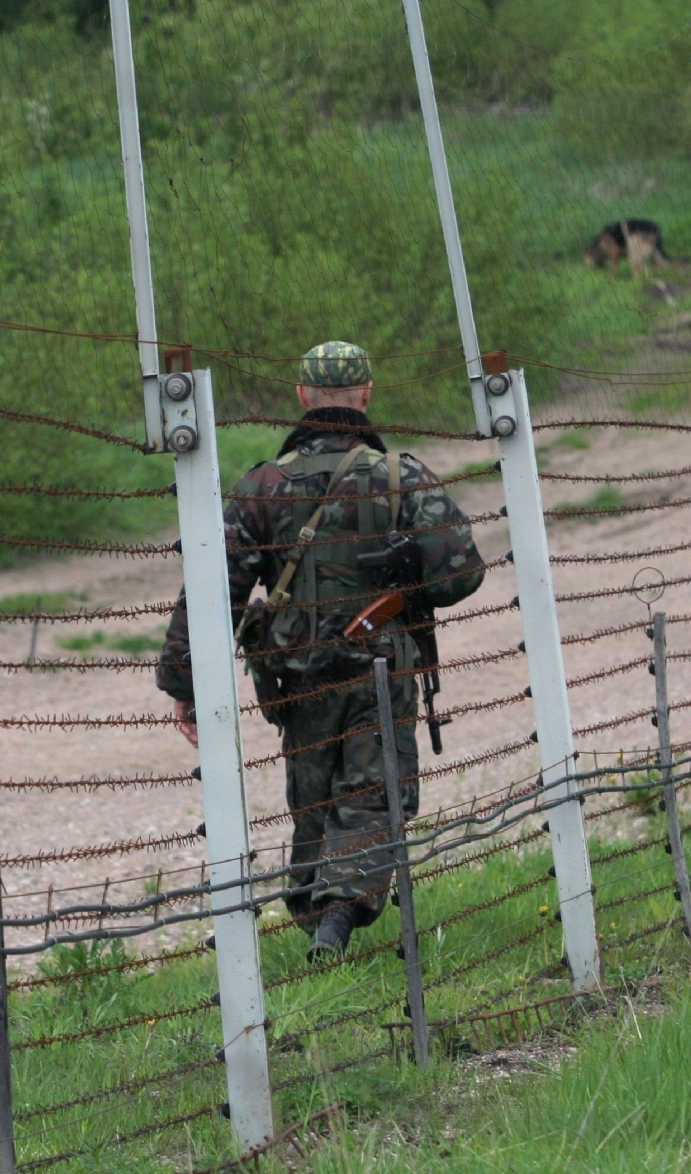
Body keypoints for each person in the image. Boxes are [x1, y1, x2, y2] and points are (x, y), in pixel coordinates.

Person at [156, 341, 485, 960]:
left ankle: (322, 921)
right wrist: (408, 567)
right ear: (366, 394)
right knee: (373, 794)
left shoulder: (264, 485)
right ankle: (334, 924)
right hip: (379, 672)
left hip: (297, 679)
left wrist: (184, 682)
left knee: (312, 801)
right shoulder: (401, 477)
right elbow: (462, 575)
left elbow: (213, 588)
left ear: (302, 396)